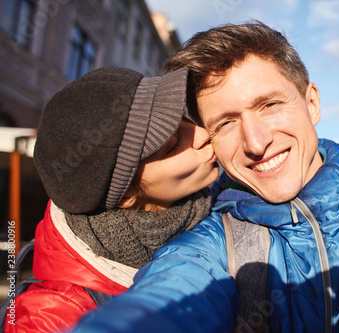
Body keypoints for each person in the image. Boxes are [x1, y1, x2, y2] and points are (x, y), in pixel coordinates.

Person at [71, 22, 339, 333]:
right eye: (226, 123)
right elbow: (161, 304)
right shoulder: (209, 249)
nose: (256, 142)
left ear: (311, 103)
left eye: (270, 105)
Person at [4, 66, 219, 333]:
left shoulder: (221, 201)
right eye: (173, 145)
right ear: (125, 196)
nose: (202, 133)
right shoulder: (53, 317)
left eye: (183, 118)